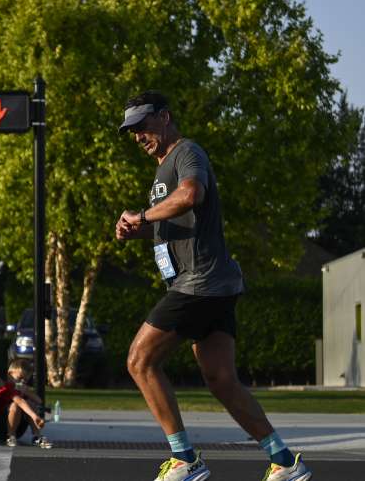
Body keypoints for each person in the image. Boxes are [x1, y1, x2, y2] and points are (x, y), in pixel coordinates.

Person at [115, 91, 311, 481]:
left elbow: (191, 195)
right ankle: (286, 463)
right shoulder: (161, 169)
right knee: (221, 380)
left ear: (165, 117)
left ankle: (185, 459)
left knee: (140, 360)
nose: (138, 136)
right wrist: (139, 228)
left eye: (143, 126)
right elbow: (176, 222)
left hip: (199, 281)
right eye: (132, 131)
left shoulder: (187, 153)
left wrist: (140, 215)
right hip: (214, 283)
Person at [0, 358, 50, 449]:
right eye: (19, 378)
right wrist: (35, 416)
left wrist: (26, 391)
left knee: (30, 403)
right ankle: (10, 436)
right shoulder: (6, 386)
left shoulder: (20, 389)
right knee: (16, 405)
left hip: (18, 428)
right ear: (9, 374)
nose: (22, 382)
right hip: (0, 426)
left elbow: (39, 400)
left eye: (25, 380)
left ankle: (37, 436)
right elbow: (19, 401)